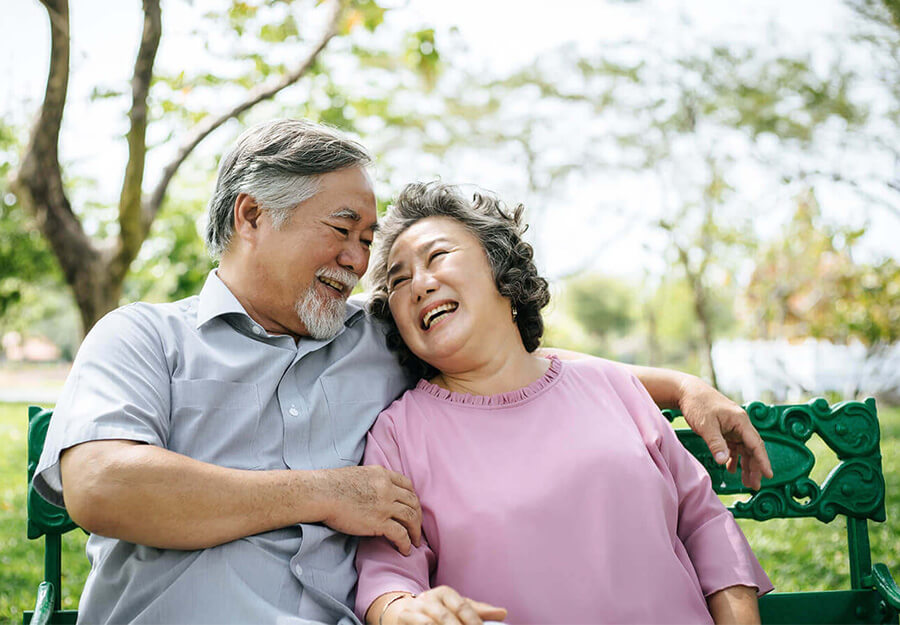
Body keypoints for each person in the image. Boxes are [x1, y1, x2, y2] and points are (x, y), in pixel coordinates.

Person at [33, 119, 771, 624]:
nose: (361, 263)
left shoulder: (378, 334)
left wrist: (676, 385)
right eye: (344, 230)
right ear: (253, 216)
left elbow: (509, 360)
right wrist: (323, 493)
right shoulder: (141, 338)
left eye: (366, 242)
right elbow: (103, 485)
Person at [355, 182, 773, 625]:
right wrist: (403, 612)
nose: (418, 284)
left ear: (502, 271)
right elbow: (389, 577)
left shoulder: (613, 385)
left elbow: (705, 525)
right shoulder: (398, 434)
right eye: (398, 280)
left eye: (438, 257)